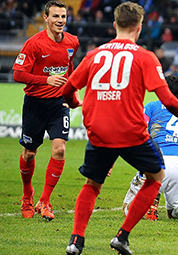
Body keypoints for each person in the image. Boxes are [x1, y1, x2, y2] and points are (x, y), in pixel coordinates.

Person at [61, 3, 178, 255]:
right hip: (131, 132)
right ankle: (122, 236)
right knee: (156, 177)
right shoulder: (144, 56)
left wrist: (76, 103)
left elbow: (67, 90)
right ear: (139, 28)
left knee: (92, 185)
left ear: (114, 25)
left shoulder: (94, 55)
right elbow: (167, 98)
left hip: (99, 131)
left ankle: (76, 241)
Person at [12, 0, 79, 221]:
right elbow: (18, 74)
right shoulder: (34, 44)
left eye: (63, 17)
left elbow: (68, 69)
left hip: (58, 105)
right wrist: (45, 79)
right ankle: (27, 194)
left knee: (59, 150)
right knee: (29, 153)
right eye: (56, 16)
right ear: (46, 18)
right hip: (35, 104)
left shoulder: (72, 42)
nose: (60, 21)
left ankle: (45, 200)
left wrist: (71, 93)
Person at [122, 75, 178, 222]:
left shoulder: (152, 107)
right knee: (175, 212)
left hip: (155, 163)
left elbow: (138, 128)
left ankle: (149, 202)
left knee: (127, 209)